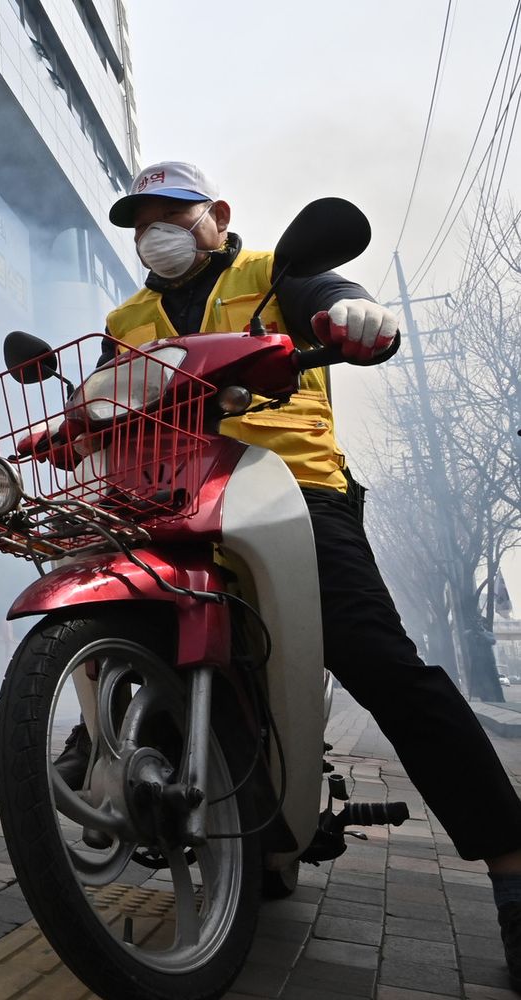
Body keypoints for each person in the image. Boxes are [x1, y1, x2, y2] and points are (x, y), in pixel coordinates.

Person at [58, 160, 521, 987]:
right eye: (140, 220)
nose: (153, 233)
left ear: (216, 215)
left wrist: (355, 314)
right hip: (171, 500)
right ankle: (91, 748)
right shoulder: (125, 316)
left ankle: (512, 863)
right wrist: (74, 426)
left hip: (294, 488)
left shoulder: (275, 272)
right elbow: (100, 402)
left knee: (381, 661)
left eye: (172, 213)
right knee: (125, 624)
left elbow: (334, 297)